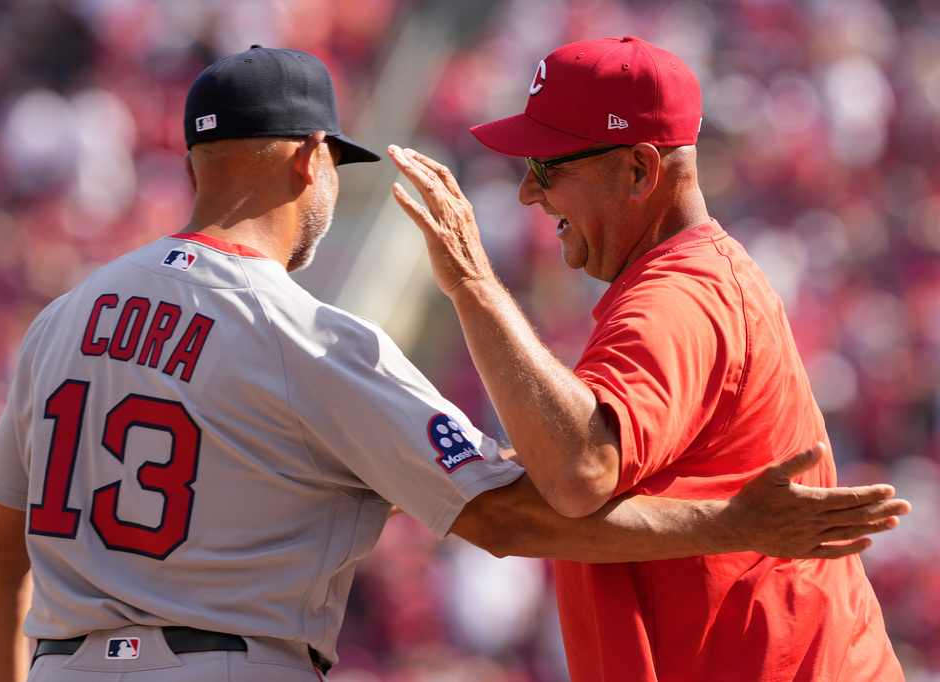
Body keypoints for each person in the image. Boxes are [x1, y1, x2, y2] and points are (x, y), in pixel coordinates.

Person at [0, 45, 909, 682]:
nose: (531, 191)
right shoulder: (310, 339)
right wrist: (731, 525)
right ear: (310, 163)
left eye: (550, 166)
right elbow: (516, 510)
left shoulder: (60, 321)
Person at [387, 36, 907, 681]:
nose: (527, 192)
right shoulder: (690, 282)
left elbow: (579, 471)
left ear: (639, 169)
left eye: (549, 167)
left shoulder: (679, 298)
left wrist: (472, 282)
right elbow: (571, 487)